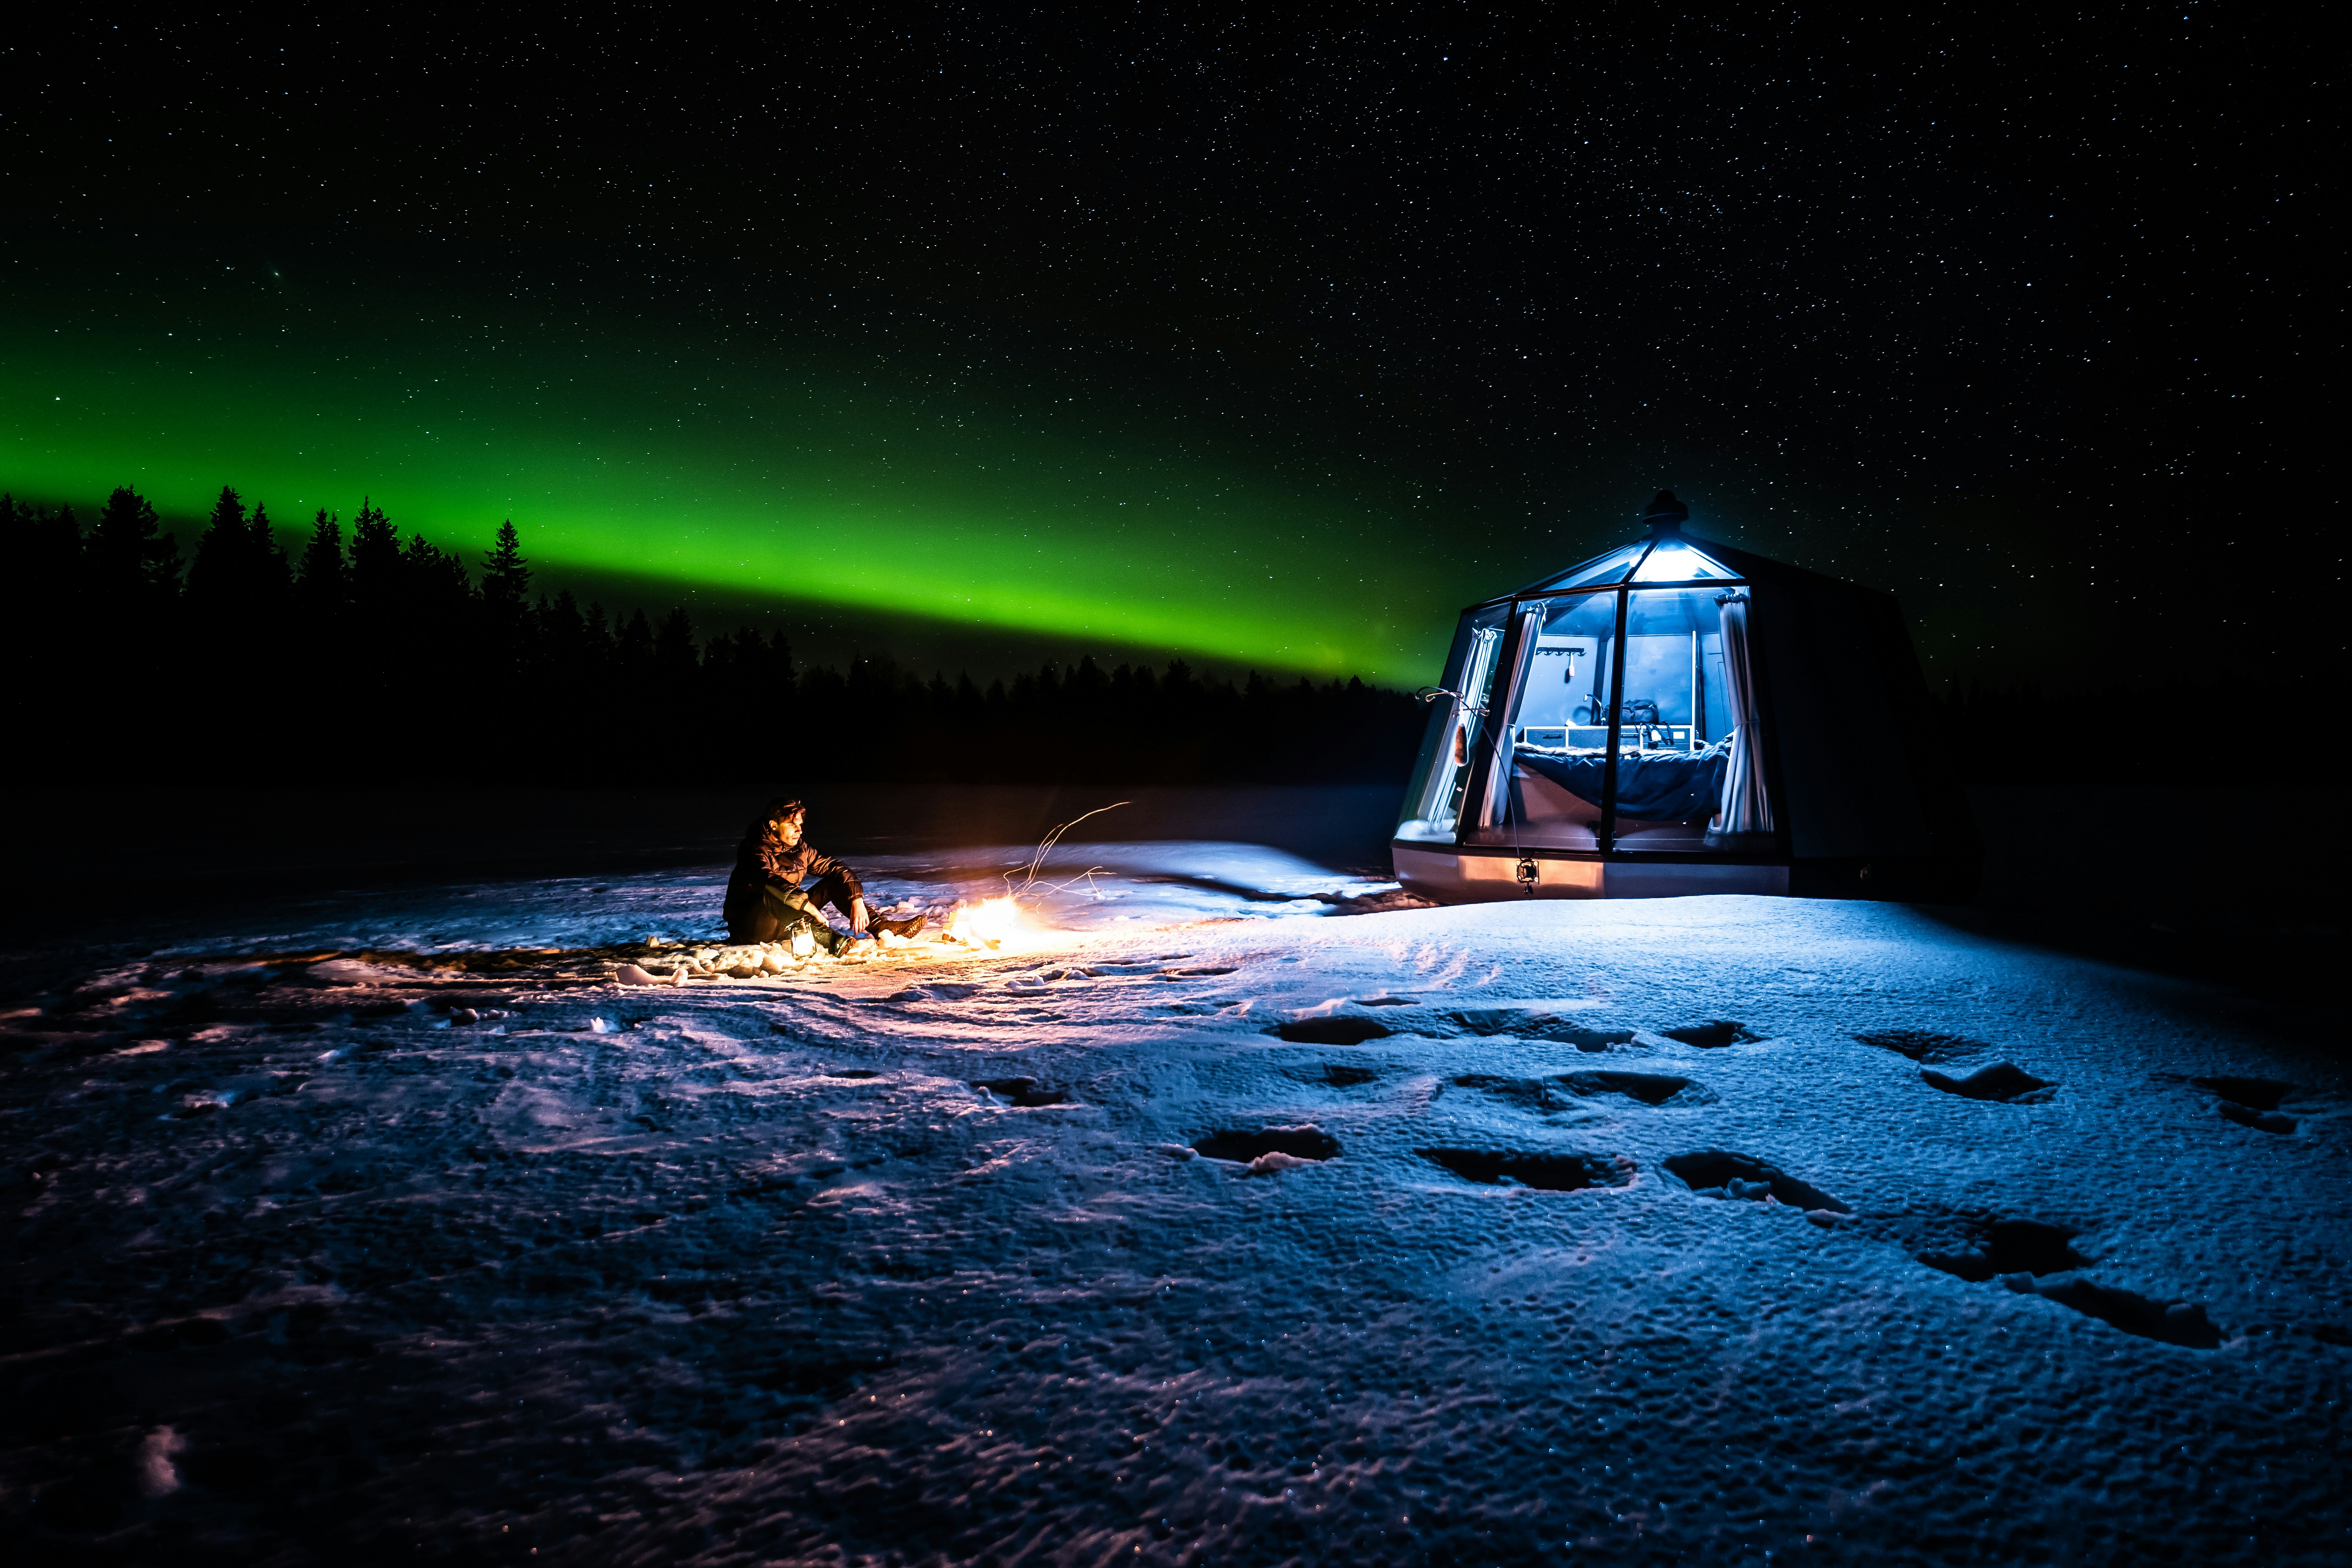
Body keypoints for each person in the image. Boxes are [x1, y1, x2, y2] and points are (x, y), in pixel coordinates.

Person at [722, 796, 926, 951]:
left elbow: (836, 867)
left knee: (833, 882)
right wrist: (807, 906)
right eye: (792, 825)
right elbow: (769, 881)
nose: (799, 831)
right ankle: (829, 940)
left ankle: (884, 929)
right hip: (752, 929)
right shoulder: (753, 850)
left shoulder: (799, 849)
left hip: (787, 921)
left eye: (800, 825)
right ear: (773, 826)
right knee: (771, 894)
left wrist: (856, 899)